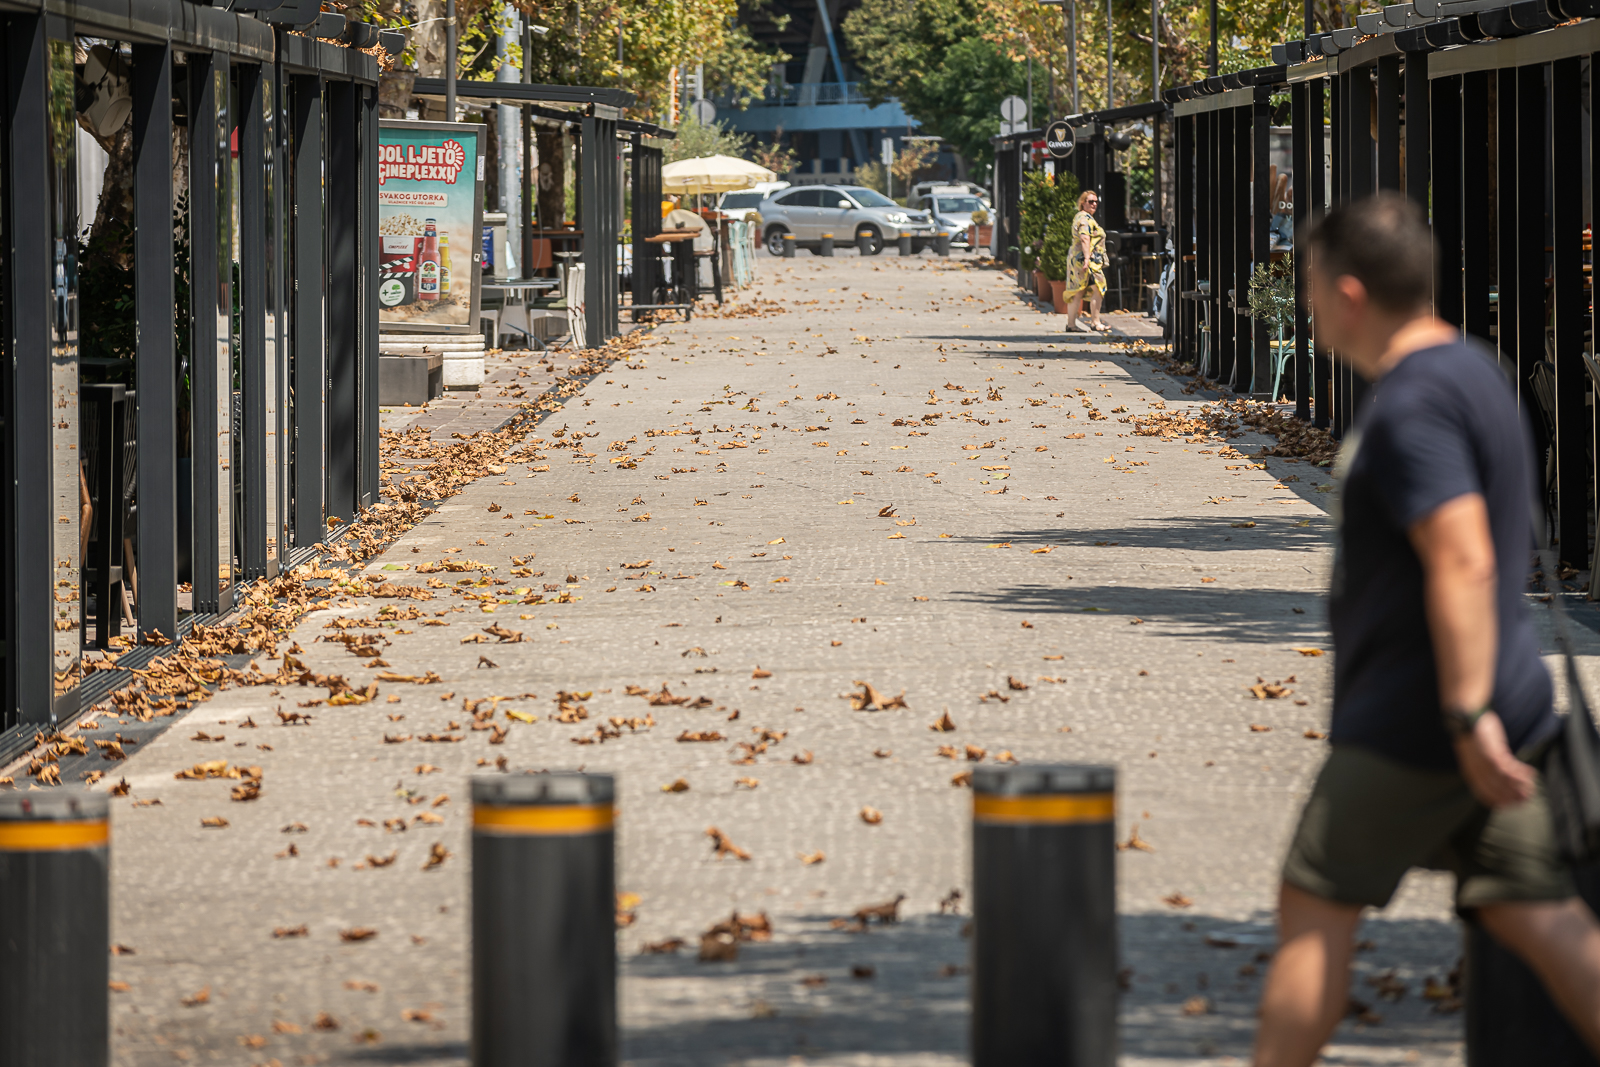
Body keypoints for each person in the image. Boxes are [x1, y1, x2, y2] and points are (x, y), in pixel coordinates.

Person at [1254, 191, 1600, 1066]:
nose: (1308, 302)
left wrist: (1465, 714)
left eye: (1312, 283)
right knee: (1549, 921)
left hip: (1420, 722)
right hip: (1505, 705)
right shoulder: (1476, 370)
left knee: (1311, 909)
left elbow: (1463, 559)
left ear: (1352, 292)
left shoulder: (1411, 406)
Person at [1063, 189, 1109, 333]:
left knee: (1078, 290)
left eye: (1096, 202)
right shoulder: (1084, 219)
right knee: (1098, 288)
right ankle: (1095, 322)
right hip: (1086, 260)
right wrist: (1087, 259)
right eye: (1090, 201)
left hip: (1078, 259)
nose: (1094, 204)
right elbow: (1084, 238)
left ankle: (1071, 324)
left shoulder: (1082, 216)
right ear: (1083, 203)